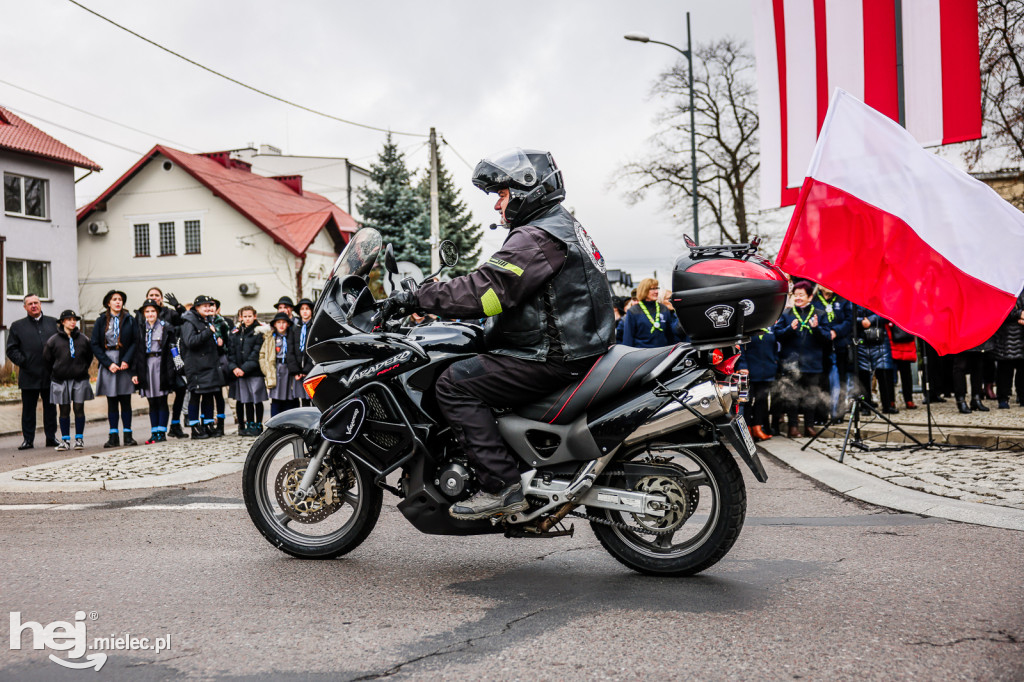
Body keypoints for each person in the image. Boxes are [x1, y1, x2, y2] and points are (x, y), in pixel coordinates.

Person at [379, 148, 615, 520]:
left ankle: (499, 485)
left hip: (551, 356)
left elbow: (487, 290)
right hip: (572, 348)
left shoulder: (536, 236)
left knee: (454, 383)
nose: (496, 205)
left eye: (501, 194)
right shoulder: (559, 226)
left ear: (527, 190)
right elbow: (516, 297)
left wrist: (417, 298)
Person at [774, 281, 830, 437]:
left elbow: (827, 338)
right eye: (796, 295)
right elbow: (777, 336)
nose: (798, 298)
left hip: (813, 363)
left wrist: (817, 328)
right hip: (792, 363)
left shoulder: (820, 314)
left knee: (811, 396)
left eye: (801, 295)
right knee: (793, 396)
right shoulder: (786, 314)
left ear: (810, 297)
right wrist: (789, 329)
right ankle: (793, 426)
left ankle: (809, 426)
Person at [5, 293, 59, 450]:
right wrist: (24, 362)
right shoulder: (17, 326)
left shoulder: (53, 323)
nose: (34, 306)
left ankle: (51, 437)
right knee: (28, 410)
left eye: (36, 302)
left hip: (50, 374)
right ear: (25, 307)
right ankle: (28, 440)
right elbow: (11, 349)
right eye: (30, 304)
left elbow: (60, 344)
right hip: (29, 375)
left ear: (41, 304)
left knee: (50, 409)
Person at [91, 290, 138, 448]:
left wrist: (126, 360)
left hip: (124, 361)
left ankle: (128, 435)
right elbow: (95, 344)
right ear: (108, 303)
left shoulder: (130, 320)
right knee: (112, 401)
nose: (118, 302)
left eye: (120, 300)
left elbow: (135, 342)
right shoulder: (101, 321)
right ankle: (113, 436)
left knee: (126, 400)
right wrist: (107, 363)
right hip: (109, 362)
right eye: (114, 299)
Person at [42, 310, 94, 450]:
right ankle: (65, 440)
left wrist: (81, 369)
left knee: (79, 408)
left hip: (79, 379)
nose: (72, 322)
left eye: (74, 319)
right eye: (69, 319)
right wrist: (57, 371)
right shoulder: (53, 340)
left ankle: (79, 439)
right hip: (60, 380)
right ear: (63, 322)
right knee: (64, 410)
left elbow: (89, 357)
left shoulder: (83, 339)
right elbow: (47, 360)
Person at [143, 287, 189, 438]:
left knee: (181, 388)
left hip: (170, 358)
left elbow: (185, 318)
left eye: (157, 295)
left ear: (161, 298)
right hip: (153, 363)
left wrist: (178, 306)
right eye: (151, 295)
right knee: (156, 397)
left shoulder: (170, 313)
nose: (154, 297)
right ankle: (159, 429)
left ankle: (175, 423)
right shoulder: (143, 318)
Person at [180, 295, 226, 439]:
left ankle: (207, 424)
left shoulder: (206, 320)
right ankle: (195, 428)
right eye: (204, 306)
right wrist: (208, 332)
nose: (208, 308)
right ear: (197, 307)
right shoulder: (189, 321)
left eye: (209, 305)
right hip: (196, 367)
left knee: (208, 396)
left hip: (209, 366)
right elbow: (190, 342)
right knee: (195, 396)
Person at [131, 299, 177, 443]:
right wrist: (135, 372)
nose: (150, 314)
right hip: (146, 365)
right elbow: (137, 351)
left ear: (157, 313)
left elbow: (172, 348)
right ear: (144, 314)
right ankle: (154, 431)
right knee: (151, 401)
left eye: (153, 311)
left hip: (160, 364)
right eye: (147, 311)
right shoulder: (140, 328)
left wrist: (174, 367)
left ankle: (162, 431)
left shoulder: (165, 327)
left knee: (161, 399)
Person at [811, 284, 853, 419]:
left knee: (840, 380)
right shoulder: (815, 300)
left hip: (840, 345)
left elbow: (849, 320)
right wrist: (826, 333)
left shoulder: (843, 299)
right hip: (821, 346)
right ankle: (822, 415)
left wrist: (836, 331)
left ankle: (838, 413)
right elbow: (814, 320)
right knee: (822, 381)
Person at [229, 306, 269, 435]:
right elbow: (231, 352)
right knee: (246, 400)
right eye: (244, 316)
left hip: (253, 371)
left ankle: (258, 424)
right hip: (240, 372)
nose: (247, 319)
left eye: (249, 316)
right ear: (241, 317)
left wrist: (244, 368)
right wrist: (234, 367)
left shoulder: (258, 332)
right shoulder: (236, 332)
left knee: (256, 399)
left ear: (255, 316)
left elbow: (256, 353)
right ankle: (249, 423)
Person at [737, 325, 778, 441]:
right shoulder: (747, 328)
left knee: (762, 401)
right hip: (750, 369)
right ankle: (747, 428)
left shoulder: (770, 328)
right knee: (747, 401)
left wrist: (775, 361)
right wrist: (742, 365)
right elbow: (740, 348)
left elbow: (775, 347)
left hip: (767, 369)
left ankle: (757, 427)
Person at [854, 306, 897, 414]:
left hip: (879, 338)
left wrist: (871, 320)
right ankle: (865, 406)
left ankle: (887, 405)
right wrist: (861, 321)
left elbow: (889, 313)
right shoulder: (853, 296)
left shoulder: (879, 295)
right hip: (861, 339)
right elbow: (848, 315)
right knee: (863, 374)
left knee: (884, 373)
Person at [622, 278, 678, 348]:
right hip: (642, 355)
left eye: (657, 288)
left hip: (662, 354)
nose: (656, 292)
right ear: (644, 290)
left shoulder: (663, 309)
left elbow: (670, 336)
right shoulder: (633, 311)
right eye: (653, 289)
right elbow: (628, 339)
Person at [993, 290, 1024, 409]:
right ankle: (1003, 398)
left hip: (1021, 337)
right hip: (1006, 337)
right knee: (1005, 370)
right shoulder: (1007, 287)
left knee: (1022, 370)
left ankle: (1022, 397)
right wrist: (1019, 314)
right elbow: (1001, 309)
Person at [267, 312, 298, 416]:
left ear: (288, 324)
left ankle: (288, 421)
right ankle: (274, 421)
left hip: (289, 369)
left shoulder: (291, 336)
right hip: (276, 369)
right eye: (278, 322)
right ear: (274, 324)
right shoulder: (271, 337)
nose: (281, 325)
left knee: (289, 396)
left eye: (284, 322)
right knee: (276, 397)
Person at [287, 298, 315, 406]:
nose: (305, 311)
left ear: (311, 311)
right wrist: (296, 370)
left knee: (314, 398)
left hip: (311, 370)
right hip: (299, 372)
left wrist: (307, 369)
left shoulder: (314, 326)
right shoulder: (295, 327)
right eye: (302, 309)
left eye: (307, 309)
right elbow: (290, 350)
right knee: (303, 400)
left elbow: (314, 348)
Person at [887, 322, 918, 410]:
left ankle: (902, 400)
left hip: (902, 342)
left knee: (905, 374)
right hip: (893, 341)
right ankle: (893, 400)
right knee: (893, 375)